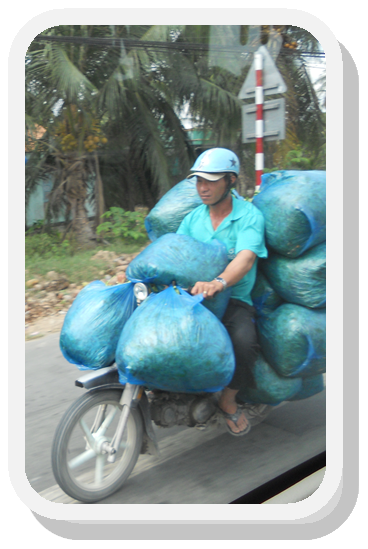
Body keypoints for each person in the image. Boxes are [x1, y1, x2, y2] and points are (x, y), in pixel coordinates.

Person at [176, 147, 268, 436]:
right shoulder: (193, 219)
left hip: (232, 299)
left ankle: (228, 401)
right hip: (194, 298)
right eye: (199, 181)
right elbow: (173, 251)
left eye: (210, 181)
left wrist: (219, 282)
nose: (202, 188)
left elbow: (246, 258)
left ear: (229, 180)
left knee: (244, 342)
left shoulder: (249, 216)